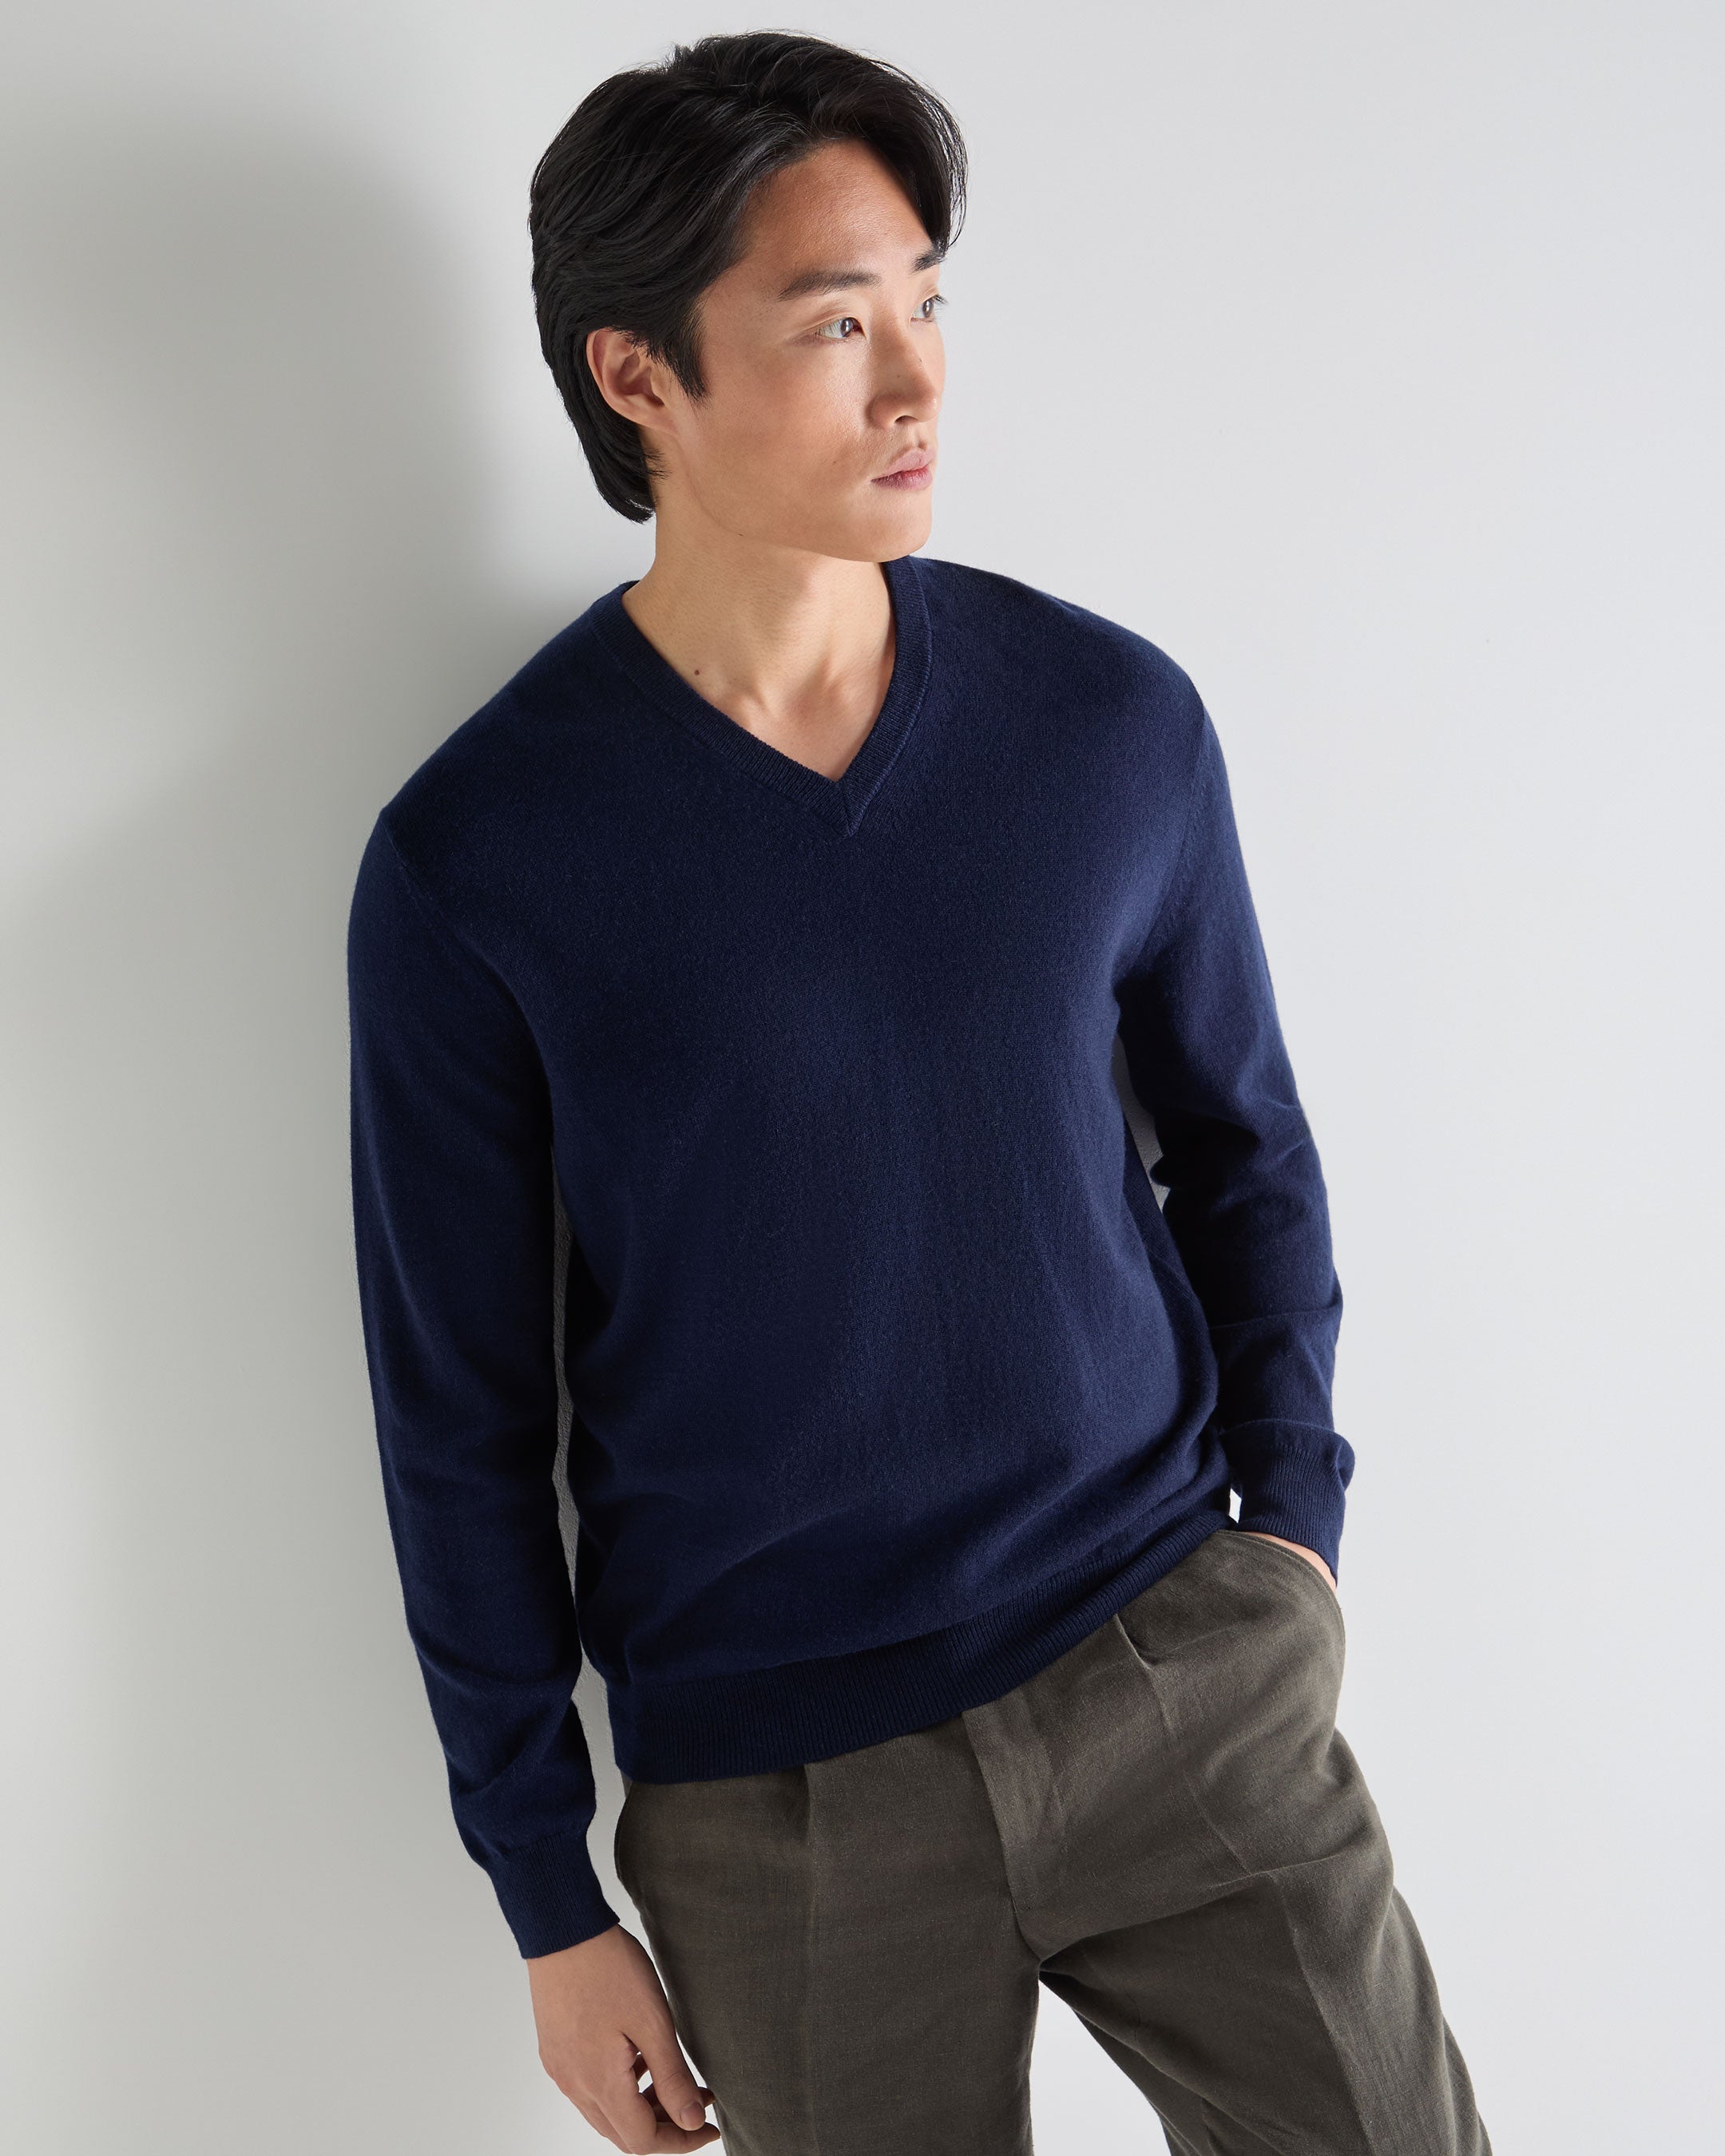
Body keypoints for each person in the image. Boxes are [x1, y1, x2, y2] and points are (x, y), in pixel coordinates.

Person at [346, 30, 1491, 2156]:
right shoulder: (478, 863)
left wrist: (1294, 1537)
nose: (916, 384)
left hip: (1175, 1674)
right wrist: (546, 1897)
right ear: (637, 376)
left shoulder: (1105, 724)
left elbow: (1247, 1154)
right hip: (781, 1809)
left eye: (927, 304)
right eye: (833, 323)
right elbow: (462, 1415)